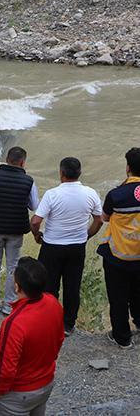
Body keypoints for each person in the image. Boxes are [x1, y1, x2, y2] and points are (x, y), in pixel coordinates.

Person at [31, 157, 103, 336]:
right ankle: (68, 325)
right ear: (79, 173)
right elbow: (99, 219)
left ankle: (50, 321)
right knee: (72, 286)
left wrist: (37, 235)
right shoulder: (90, 193)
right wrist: (87, 235)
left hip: (52, 246)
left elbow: (35, 221)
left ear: (61, 173)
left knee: (49, 286)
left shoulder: (52, 194)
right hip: (77, 247)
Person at [0, 257, 64, 416]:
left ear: (17, 287)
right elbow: (58, 340)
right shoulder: (53, 303)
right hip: (45, 383)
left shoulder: (14, 323)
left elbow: (6, 367)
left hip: (18, 395)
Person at [0, 147, 39, 315]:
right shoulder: (29, 181)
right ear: (23, 162)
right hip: (16, 230)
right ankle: (10, 304)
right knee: (13, 266)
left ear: (6, 159)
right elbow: (34, 206)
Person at [98, 147, 140, 349]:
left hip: (118, 255)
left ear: (128, 168)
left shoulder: (116, 194)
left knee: (118, 297)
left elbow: (105, 218)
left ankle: (122, 337)